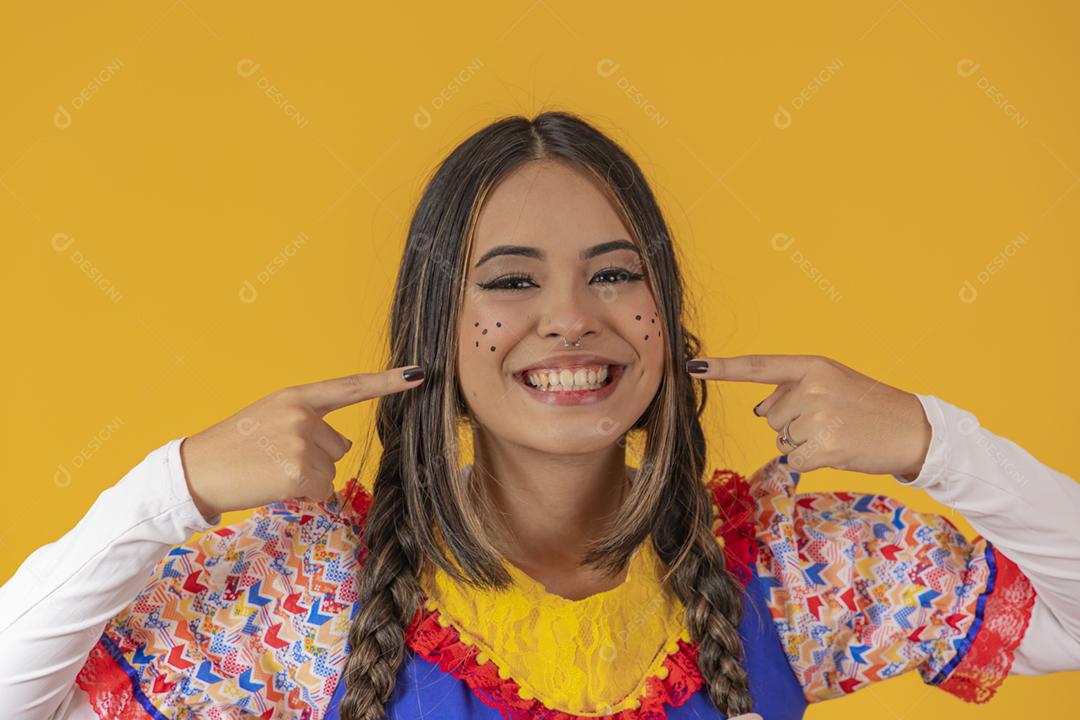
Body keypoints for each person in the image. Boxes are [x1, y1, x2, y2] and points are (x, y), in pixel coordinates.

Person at [1, 111, 1078, 720]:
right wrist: (168, 488)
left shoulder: (791, 567)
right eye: (510, 283)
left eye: (614, 276)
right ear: (435, 322)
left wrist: (936, 442)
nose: (570, 320)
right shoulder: (311, 589)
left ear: (665, 313)